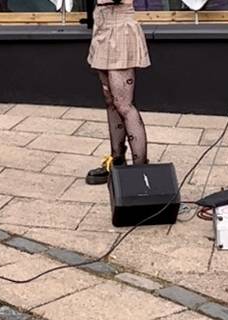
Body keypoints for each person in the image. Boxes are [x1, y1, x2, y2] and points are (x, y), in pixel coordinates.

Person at [84, 0, 152, 185]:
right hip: (103, 26)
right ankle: (117, 162)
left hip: (120, 28)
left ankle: (141, 172)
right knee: (110, 101)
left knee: (123, 104)